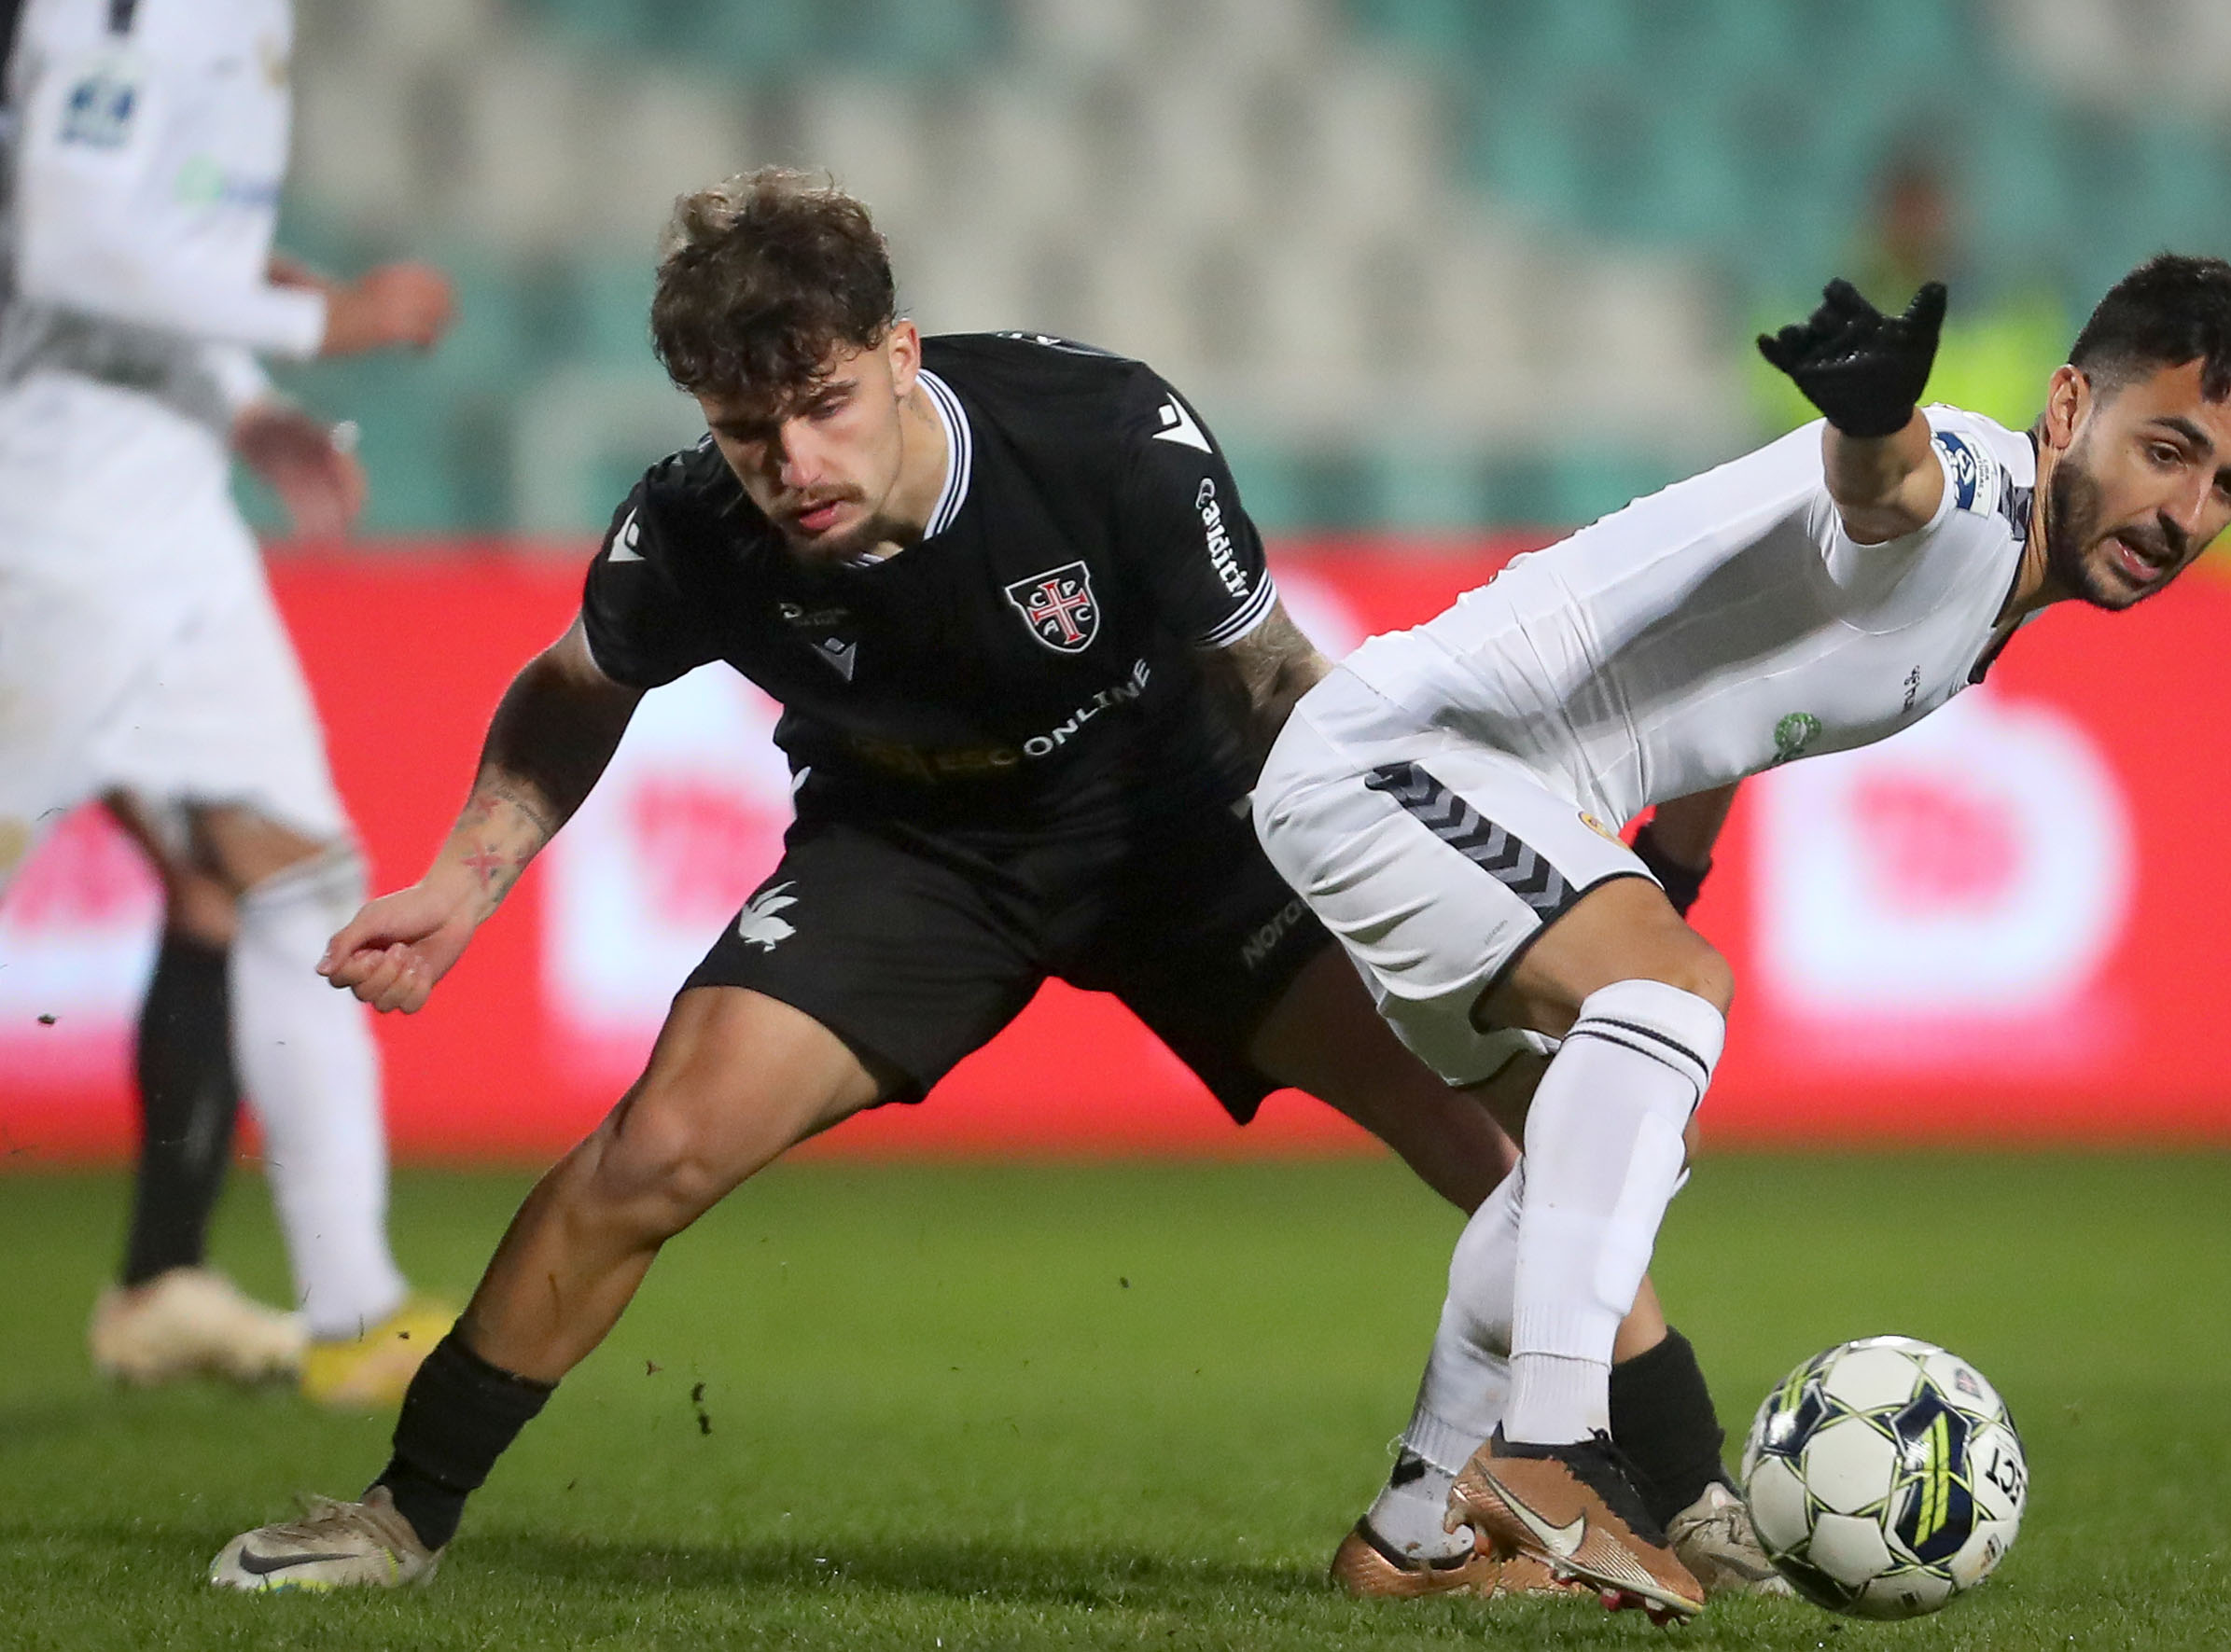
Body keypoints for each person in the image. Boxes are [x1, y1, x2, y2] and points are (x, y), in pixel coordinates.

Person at [203, 171, 1759, 1599]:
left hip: (1187, 822)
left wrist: (1461, 848)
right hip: (915, 850)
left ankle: (1685, 1500)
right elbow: (575, 684)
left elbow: (1281, 685)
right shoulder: (693, 524)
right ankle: (401, 1512)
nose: (792, 466)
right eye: (749, 432)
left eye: (820, 406)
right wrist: (464, 889)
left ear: (898, 351)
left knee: (1498, 1143)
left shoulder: (1101, 434)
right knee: (656, 1151)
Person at [1252, 257, 2231, 1618]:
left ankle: (1413, 1535)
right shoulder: (1972, 497)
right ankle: (1548, 1452)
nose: (2186, 513)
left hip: (1485, 794)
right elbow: (1883, 499)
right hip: (1408, 758)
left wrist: (1672, 863)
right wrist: (1872, 421)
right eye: (2165, 450)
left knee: (1616, 1142)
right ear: (2068, 408)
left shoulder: (2001, 587)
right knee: (1672, 996)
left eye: (2229, 484)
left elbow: (1761, 687)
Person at [0, 0, 459, 1404]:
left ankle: (354, 1312)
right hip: (48, 512)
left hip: (164, 507)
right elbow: (64, 241)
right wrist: (316, 318)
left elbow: (153, 237)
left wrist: (243, 396)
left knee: (299, 880)